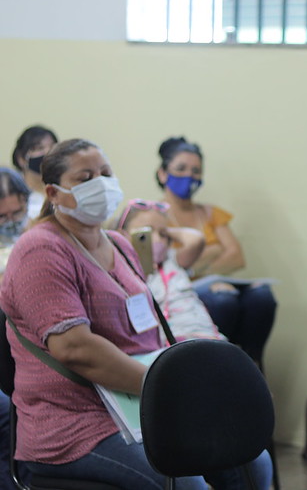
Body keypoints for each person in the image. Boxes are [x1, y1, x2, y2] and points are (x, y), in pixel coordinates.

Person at [0, 139, 272, 489]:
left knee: (251, 462)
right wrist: (164, 389)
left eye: (105, 173)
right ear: (53, 193)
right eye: (85, 178)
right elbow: (75, 348)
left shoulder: (120, 245)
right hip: (77, 425)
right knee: (186, 483)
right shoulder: (41, 249)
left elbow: (149, 330)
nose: (100, 184)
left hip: (143, 408)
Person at [155, 136, 276, 367]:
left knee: (262, 296)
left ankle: (253, 365)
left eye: (196, 171)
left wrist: (196, 267)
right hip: (180, 295)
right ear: (162, 173)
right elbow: (167, 266)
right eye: (181, 168)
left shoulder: (210, 213)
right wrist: (214, 250)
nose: (189, 176)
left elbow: (236, 257)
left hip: (216, 284)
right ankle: (219, 364)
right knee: (223, 300)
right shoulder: (155, 216)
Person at [116, 198, 226, 342]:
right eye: (147, 232)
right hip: (171, 344)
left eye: (162, 234)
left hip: (207, 336)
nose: (157, 239)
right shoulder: (122, 272)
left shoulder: (172, 260)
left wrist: (165, 229)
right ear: (123, 236)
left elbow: (196, 240)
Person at [0, 167, 33, 489]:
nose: (11, 221)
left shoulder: (39, 234)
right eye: (2, 216)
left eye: (17, 213)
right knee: (9, 417)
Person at [11, 125, 58, 220]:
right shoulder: (12, 194)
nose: (48, 152)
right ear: (21, 159)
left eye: (52, 147)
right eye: (39, 148)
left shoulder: (61, 191)